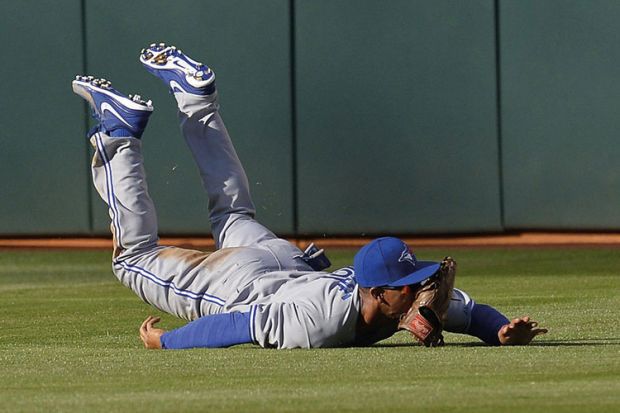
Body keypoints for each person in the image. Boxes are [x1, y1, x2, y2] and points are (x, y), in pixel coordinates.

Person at [72, 43, 547, 350]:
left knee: (234, 210)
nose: (424, 287)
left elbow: (471, 311)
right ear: (378, 293)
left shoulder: (399, 300)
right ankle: (118, 131)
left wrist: (499, 331)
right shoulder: (319, 322)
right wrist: (168, 343)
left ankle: (197, 102)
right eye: (411, 282)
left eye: (418, 277)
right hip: (240, 285)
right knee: (132, 257)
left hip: (285, 263)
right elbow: (238, 326)